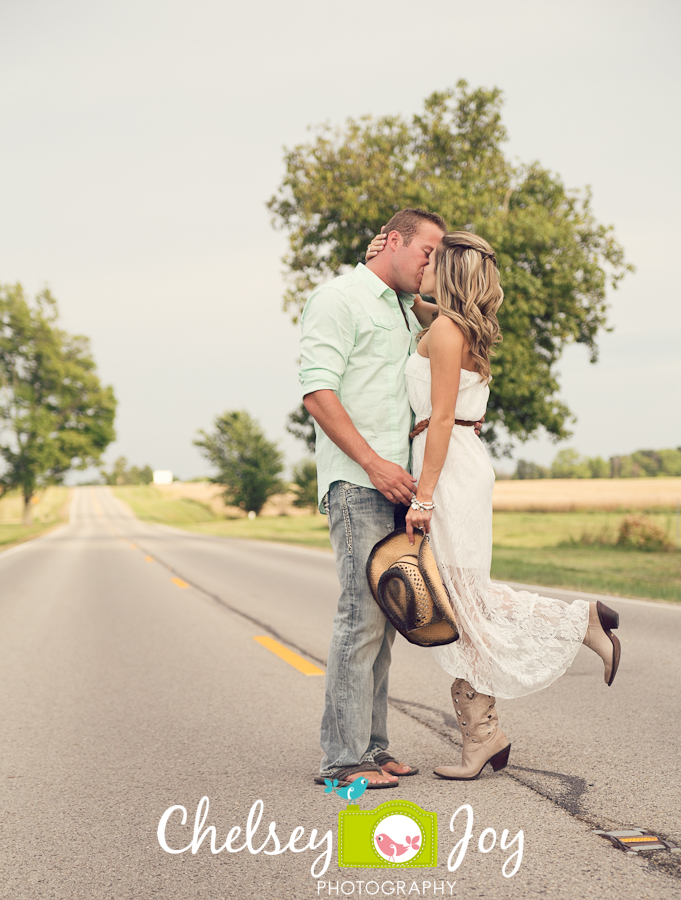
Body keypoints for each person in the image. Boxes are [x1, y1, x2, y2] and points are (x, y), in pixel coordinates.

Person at [366, 229, 622, 780]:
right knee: (463, 603)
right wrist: (384, 274)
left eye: (433, 260)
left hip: (449, 470)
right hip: (461, 461)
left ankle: (579, 621)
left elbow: (437, 418)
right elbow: (422, 310)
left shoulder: (449, 331)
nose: (423, 265)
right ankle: (483, 738)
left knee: (461, 602)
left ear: (452, 272)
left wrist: (425, 498)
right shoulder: (454, 325)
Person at [300, 208, 457, 788]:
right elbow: (317, 393)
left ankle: (373, 746)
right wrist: (374, 463)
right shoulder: (338, 299)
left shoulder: (402, 309)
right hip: (358, 482)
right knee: (360, 617)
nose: (432, 264)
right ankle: (342, 760)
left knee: (388, 617)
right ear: (393, 241)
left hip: (401, 486)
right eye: (427, 252)